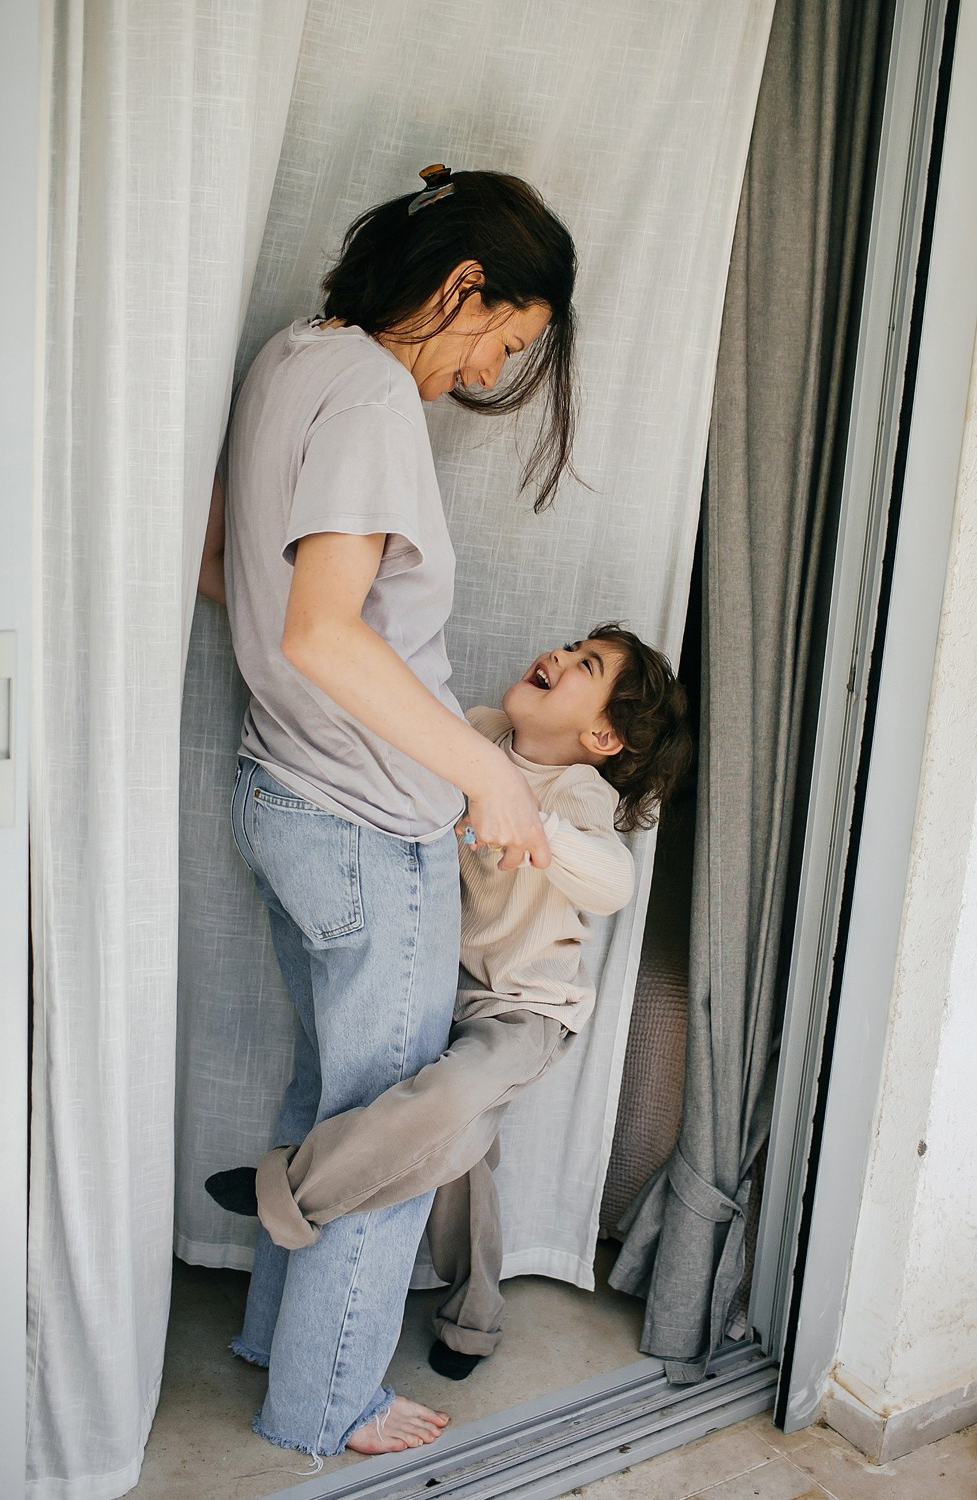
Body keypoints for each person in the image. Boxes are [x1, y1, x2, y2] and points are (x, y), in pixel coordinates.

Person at [199, 166, 580, 1461]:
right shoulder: (366, 394)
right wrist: (491, 776)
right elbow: (322, 630)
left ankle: (273, 1337)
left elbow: (225, 568)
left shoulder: (291, 357)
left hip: (284, 788)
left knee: (335, 1099)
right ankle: (325, 1402)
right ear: (463, 284)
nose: (485, 371)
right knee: (399, 1128)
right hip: (366, 817)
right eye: (504, 337)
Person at [207, 626, 692, 1380]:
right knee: (457, 1159)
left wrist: (538, 828)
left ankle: (292, 1189)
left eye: (584, 665)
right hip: (439, 983)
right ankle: (474, 1321)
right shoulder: (479, 733)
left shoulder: (579, 796)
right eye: (566, 645)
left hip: (522, 1013)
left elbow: (615, 884)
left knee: (454, 1105)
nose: (557, 655)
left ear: (601, 734)